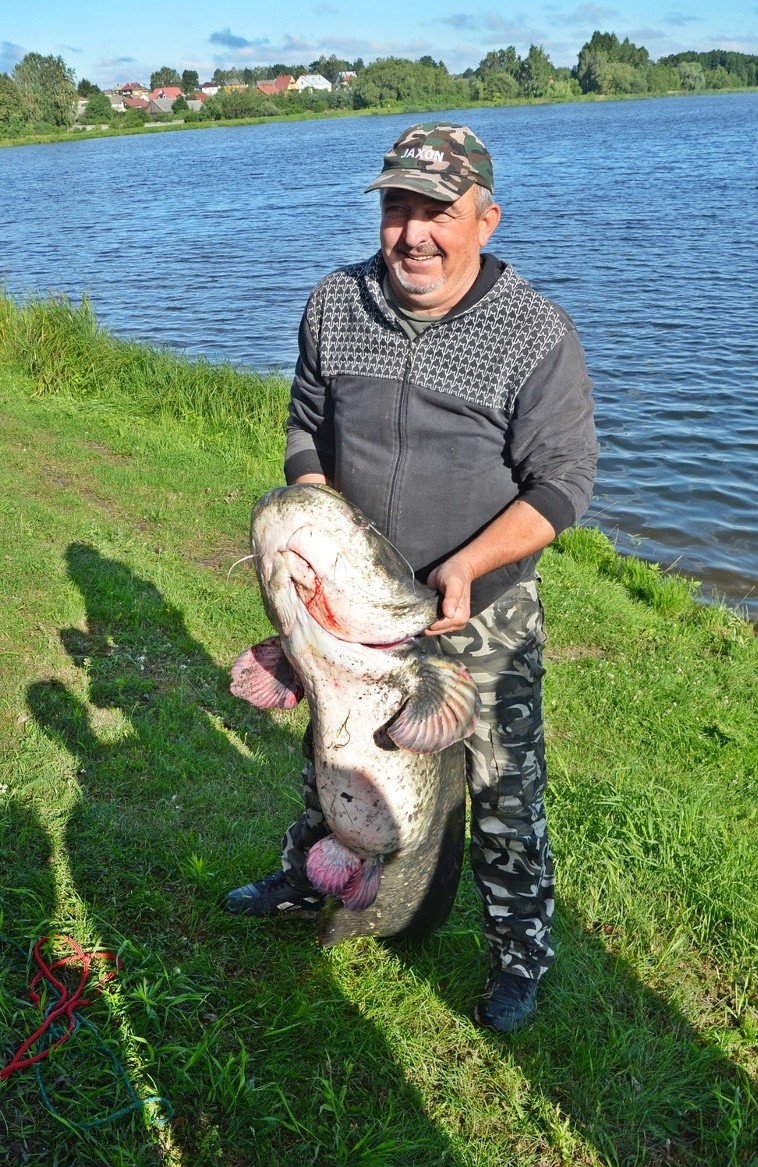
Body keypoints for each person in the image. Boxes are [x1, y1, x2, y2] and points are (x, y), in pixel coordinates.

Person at [225, 122, 599, 1033]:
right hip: (357, 607)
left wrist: (470, 564)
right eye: (399, 208)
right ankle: (309, 877)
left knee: (504, 791)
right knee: (331, 755)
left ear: (487, 220)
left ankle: (518, 957)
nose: (415, 234)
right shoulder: (334, 303)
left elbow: (563, 484)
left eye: (439, 211)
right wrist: (318, 526)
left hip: (483, 611)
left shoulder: (535, 334)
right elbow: (306, 423)